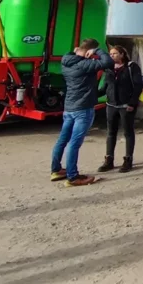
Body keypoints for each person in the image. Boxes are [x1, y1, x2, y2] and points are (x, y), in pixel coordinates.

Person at [51, 39, 115, 187]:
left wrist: (81, 52)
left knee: (62, 140)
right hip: (83, 108)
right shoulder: (85, 64)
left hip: (69, 107)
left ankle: (56, 170)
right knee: (74, 143)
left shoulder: (66, 61)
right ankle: (73, 177)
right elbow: (108, 62)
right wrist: (97, 51)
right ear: (89, 51)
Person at [98, 45, 143, 174]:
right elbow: (105, 87)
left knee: (128, 132)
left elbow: (138, 86)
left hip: (126, 106)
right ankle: (109, 160)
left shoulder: (131, 67)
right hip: (111, 105)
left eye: (115, 53)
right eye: (110, 54)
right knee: (111, 132)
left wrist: (132, 103)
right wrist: (92, 95)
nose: (112, 56)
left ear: (122, 54)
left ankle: (128, 160)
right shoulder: (109, 68)